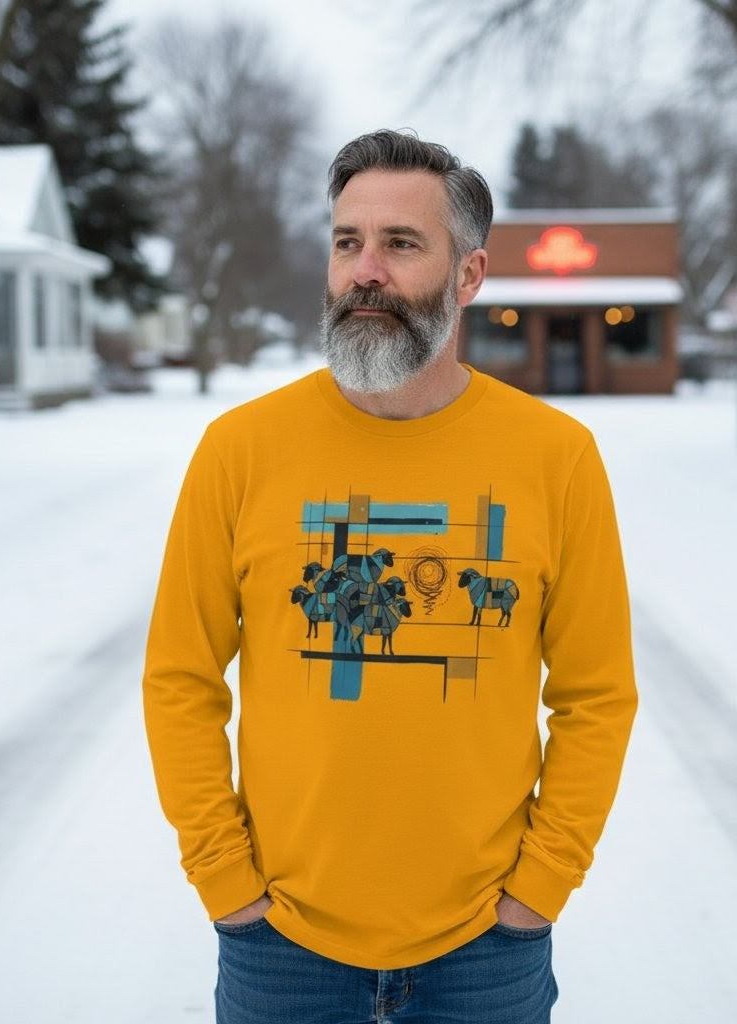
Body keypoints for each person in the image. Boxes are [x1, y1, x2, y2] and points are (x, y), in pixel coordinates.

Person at [143, 129, 638, 1024]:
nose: (365, 270)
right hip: (282, 953)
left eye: (400, 244)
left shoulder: (556, 458)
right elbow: (179, 679)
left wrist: (540, 890)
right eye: (346, 243)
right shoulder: (241, 451)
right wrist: (226, 885)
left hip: (485, 953)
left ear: (470, 275)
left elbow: (597, 696)